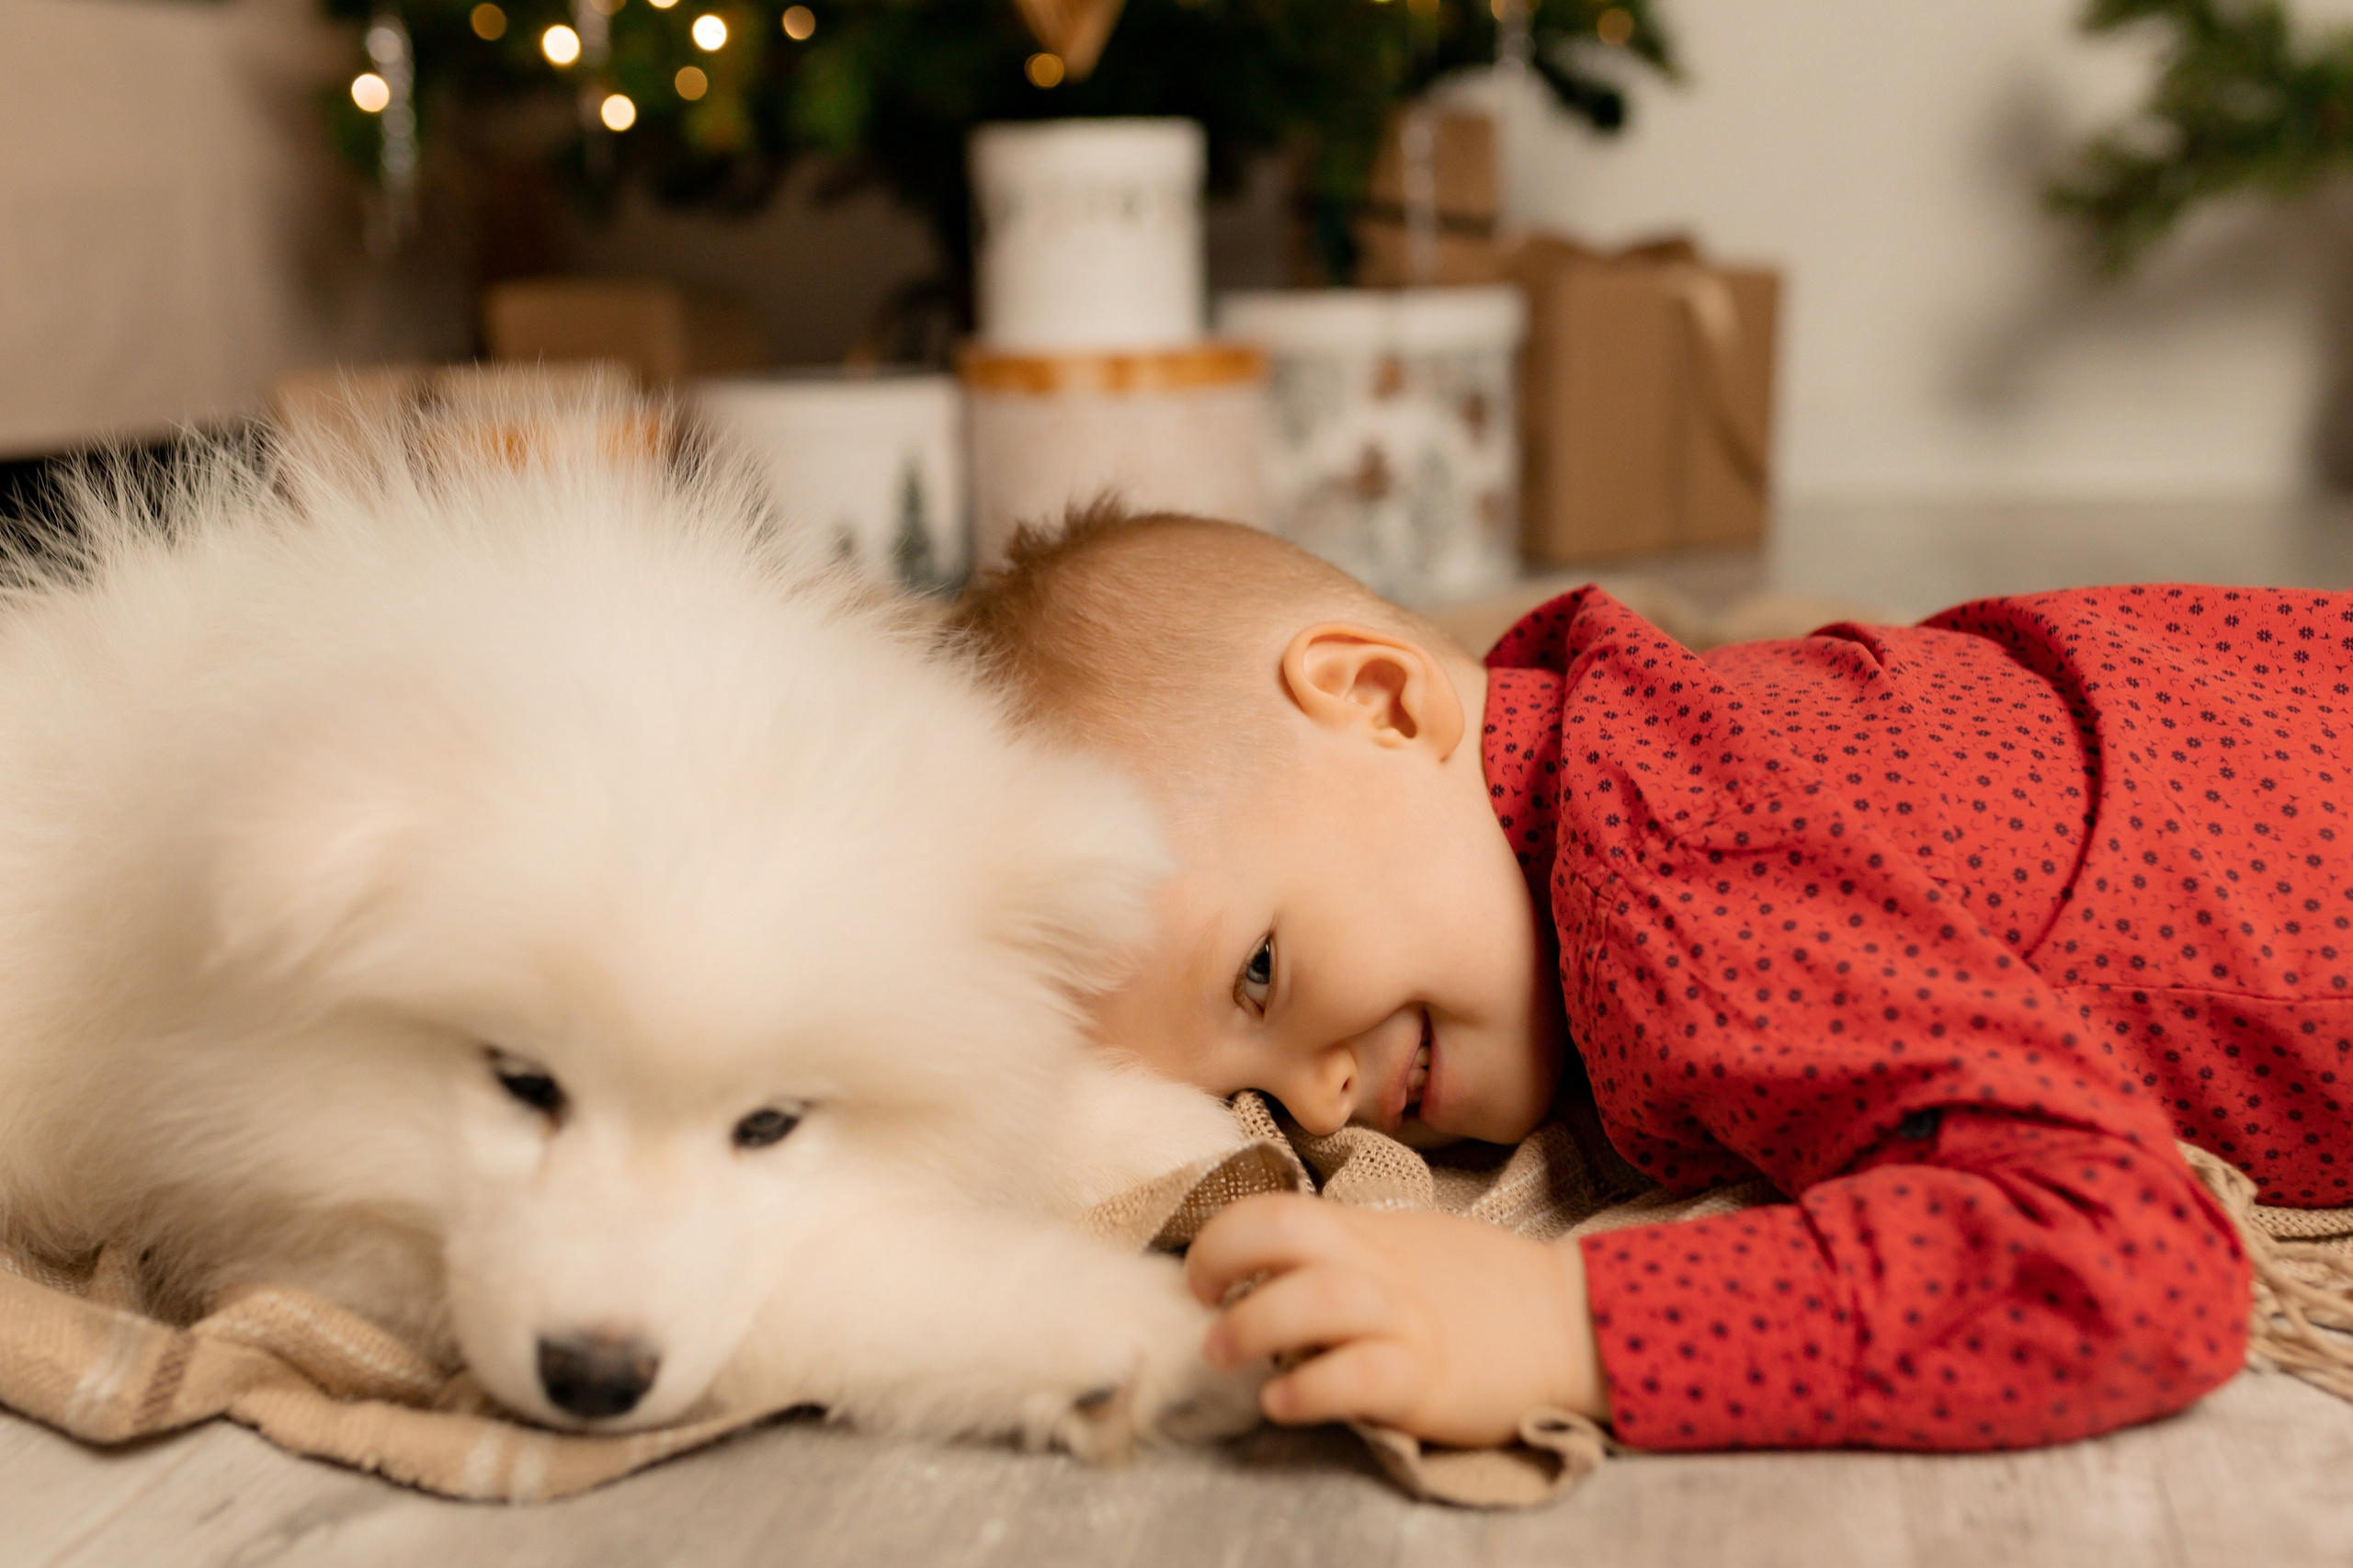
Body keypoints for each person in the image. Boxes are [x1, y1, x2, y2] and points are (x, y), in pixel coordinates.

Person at [945, 506, 2351, 1454]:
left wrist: (1567, 1325)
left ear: (1383, 698)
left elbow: (2132, 1264)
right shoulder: (1638, 718)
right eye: (1245, 1094)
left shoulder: (1672, 892)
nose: (1319, 1098)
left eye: (1260, 972)